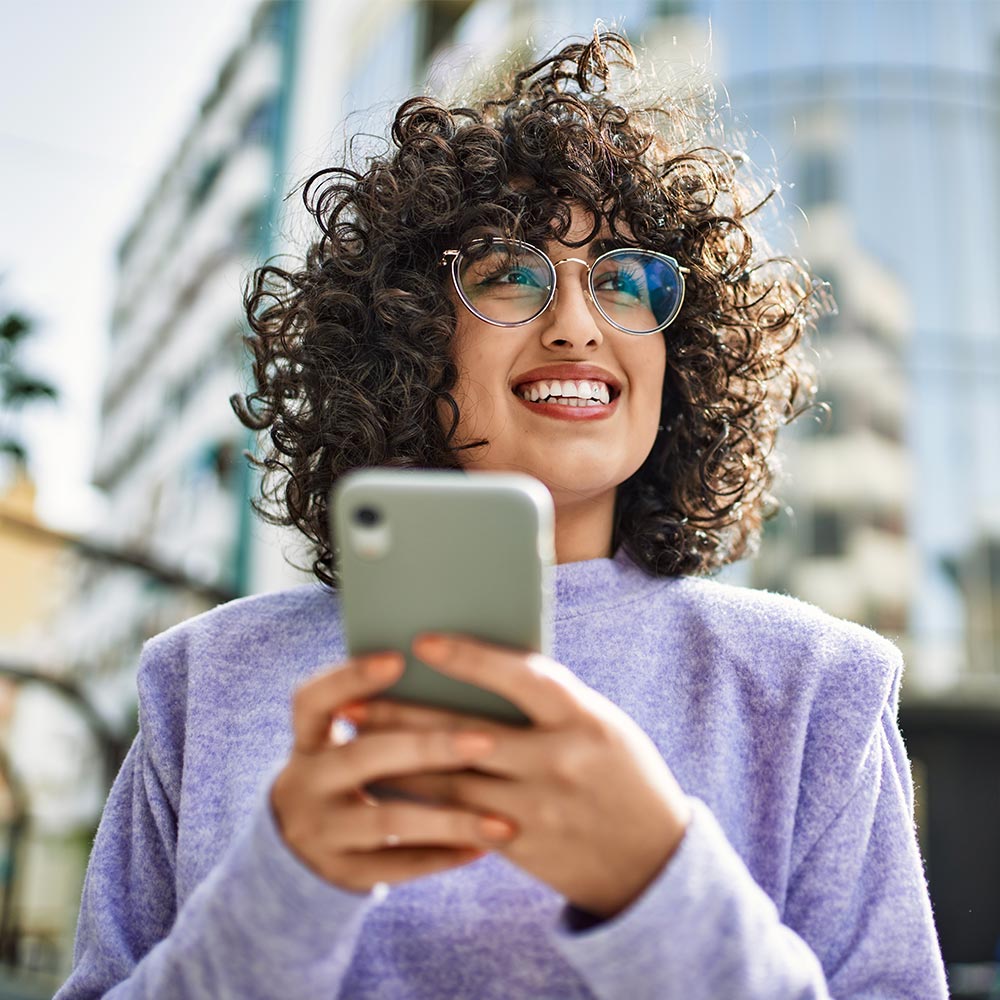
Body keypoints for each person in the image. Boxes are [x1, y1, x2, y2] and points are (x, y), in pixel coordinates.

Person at [56, 30, 948, 999]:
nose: (576, 320)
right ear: (409, 334)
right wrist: (284, 887)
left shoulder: (816, 688)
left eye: (624, 279)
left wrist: (657, 882)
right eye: (509, 275)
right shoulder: (205, 680)